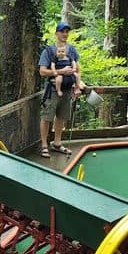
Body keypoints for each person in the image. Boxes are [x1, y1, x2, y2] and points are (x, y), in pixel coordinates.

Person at [38, 22, 86, 158]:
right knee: (47, 117)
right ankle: (44, 145)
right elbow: (42, 71)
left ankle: (57, 143)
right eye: (62, 31)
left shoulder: (72, 50)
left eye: (67, 32)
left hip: (67, 90)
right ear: (56, 33)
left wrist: (77, 86)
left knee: (61, 117)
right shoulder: (49, 51)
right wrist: (61, 71)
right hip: (53, 89)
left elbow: (78, 69)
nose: (65, 34)